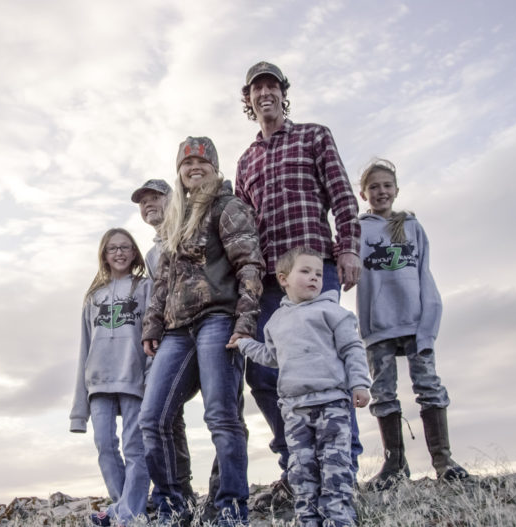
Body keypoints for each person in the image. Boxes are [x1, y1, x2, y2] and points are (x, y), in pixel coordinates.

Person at [233, 61, 363, 501]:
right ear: (248, 100)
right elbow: (242, 225)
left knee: (326, 365)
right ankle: (297, 464)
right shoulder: (246, 160)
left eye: (271, 86)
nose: (264, 93)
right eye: (256, 89)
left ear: (283, 93)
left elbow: (343, 195)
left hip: (315, 267)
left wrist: (348, 248)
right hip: (270, 279)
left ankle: (344, 466)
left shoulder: (314, 135)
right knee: (266, 374)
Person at [140, 136, 264, 526]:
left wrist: (245, 322)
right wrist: (153, 323)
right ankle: (174, 506)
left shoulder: (228, 207)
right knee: (152, 418)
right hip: (177, 330)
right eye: (186, 163)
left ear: (214, 166)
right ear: (179, 171)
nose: (194, 167)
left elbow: (249, 265)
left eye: (202, 162)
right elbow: (162, 280)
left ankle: (231, 507)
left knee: (222, 417)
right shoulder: (175, 219)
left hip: (218, 320)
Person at [230, 246, 371, 527]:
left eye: (318, 273)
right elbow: (271, 357)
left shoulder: (333, 312)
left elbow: (352, 348)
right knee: (301, 470)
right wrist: (245, 344)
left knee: (335, 468)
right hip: (294, 410)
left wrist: (359, 383)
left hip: (331, 405)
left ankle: (338, 518)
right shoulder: (275, 322)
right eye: (305, 271)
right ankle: (307, 518)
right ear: (283, 279)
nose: (314, 278)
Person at [356, 158, 470, 488]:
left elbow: (425, 274)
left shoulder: (412, 227)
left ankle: (443, 461)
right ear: (364, 194)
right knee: (383, 392)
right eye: (373, 187)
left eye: (386, 185)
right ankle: (394, 465)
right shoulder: (360, 230)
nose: (381, 191)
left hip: (415, 322)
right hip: (379, 328)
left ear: (396, 190)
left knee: (429, 386)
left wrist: (429, 325)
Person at [70, 228, 152, 526]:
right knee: (105, 445)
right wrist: (78, 414)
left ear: (134, 253)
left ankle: (132, 513)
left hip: (134, 377)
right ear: (104, 255)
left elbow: (154, 335)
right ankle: (121, 508)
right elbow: (84, 348)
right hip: (98, 383)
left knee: (134, 447)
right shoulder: (93, 297)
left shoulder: (145, 288)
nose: (119, 253)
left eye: (125, 247)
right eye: (112, 248)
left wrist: (150, 373)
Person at [131, 179, 197, 504]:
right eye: (142, 202)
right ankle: (178, 495)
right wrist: (153, 329)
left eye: (155, 197)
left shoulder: (192, 230)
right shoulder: (151, 254)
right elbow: (158, 296)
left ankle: (229, 498)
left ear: (173, 199)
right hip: (173, 336)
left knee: (223, 412)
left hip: (208, 326)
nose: (148, 205)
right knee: (164, 414)